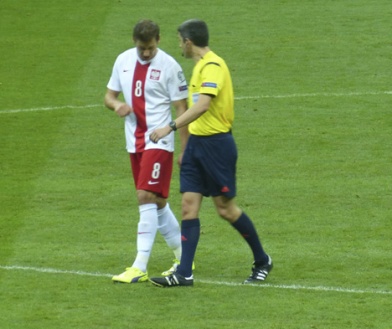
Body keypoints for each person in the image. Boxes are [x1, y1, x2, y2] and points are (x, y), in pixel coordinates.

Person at [148, 19, 273, 287]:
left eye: (180, 40)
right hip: (197, 146)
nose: (179, 45)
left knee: (225, 209)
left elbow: (203, 105)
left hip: (217, 146)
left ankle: (262, 260)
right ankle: (184, 273)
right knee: (188, 206)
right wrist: (186, 149)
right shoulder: (199, 68)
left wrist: (169, 127)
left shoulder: (213, 66)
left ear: (189, 42)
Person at [104, 19, 189, 283]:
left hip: (159, 141)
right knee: (158, 202)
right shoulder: (123, 61)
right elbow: (109, 96)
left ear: (158, 41)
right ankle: (185, 257)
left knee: (144, 196)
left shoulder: (169, 66)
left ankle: (139, 266)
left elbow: (182, 109)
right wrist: (116, 105)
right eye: (142, 48)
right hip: (134, 142)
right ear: (134, 43)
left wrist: (184, 149)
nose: (147, 53)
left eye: (151, 47)